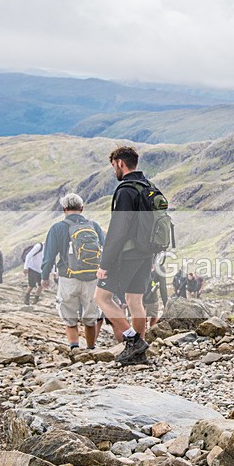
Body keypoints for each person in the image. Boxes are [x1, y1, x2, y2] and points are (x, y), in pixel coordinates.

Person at [94, 146, 159, 366]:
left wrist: (105, 263)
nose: (114, 171)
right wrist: (152, 258)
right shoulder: (148, 187)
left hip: (128, 255)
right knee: (134, 300)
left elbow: (118, 230)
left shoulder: (126, 190)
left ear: (120, 163)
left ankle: (134, 342)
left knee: (101, 297)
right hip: (146, 254)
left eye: (113, 166)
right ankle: (138, 354)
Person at [40, 194, 105, 351]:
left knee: (70, 318)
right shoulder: (94, 226)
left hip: (68, 278)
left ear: (64, 209)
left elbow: (48, 257)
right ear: (81, 209)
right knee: (91, 318)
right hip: (92, 278)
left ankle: (74, 348)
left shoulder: (57, 228)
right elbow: (105, 250)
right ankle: (90, 349)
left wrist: (44, 277)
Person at [144, 257, 168, 328]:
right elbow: (162, 287)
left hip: (139, 298)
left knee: (142, 319)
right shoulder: (160, 268)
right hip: (151, 299)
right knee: (153, 318)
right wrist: (165, 304)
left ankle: (141, 335)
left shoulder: (140, 263)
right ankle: (151, 333)